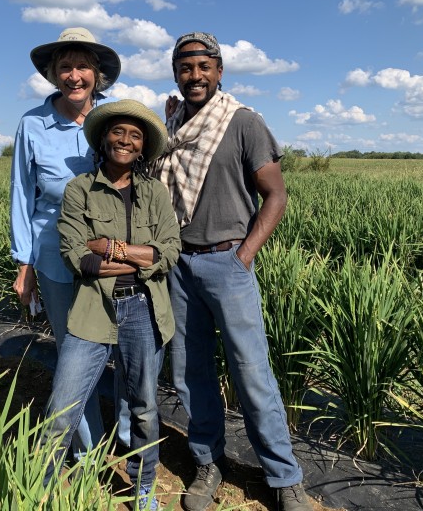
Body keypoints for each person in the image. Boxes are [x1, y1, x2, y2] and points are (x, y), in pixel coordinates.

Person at [153, 32, 312, 511]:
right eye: (185, 67)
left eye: (204, 66)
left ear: (219, 71)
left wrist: (242, 257)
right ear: (176, 73)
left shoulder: (243, 122)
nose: (195, 75)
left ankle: (284, 477)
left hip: (227, 262)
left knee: (251, 372)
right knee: (188, 369)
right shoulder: (172, 126)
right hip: (178, 264)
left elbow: (276, 195)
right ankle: (207, 462)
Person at [42, 100, 181, 510]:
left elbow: (169, 252)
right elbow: (78, 258)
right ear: (103, 139)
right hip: (92, 312)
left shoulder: (155, 193)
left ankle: (142, 487)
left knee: (143, 406)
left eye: (135, 136)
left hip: (143, 309)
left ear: (142, 149)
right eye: (118, 132)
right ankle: (41, 484)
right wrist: (140, 256)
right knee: (62, 406)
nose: (125, 140)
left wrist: (112, 248)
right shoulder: (79, 190)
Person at [10, 27, 122, 460]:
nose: (74, 75)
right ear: (54, 75)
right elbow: (23, 195)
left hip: (112, 257)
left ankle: (129, 441)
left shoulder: (114, 118)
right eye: (65, 67)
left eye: (83, 67)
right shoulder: (33, 125)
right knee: (73, 351)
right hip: (54, 257)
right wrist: (25, 267)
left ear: (98, 74)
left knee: (117, 352)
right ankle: (88, 452)